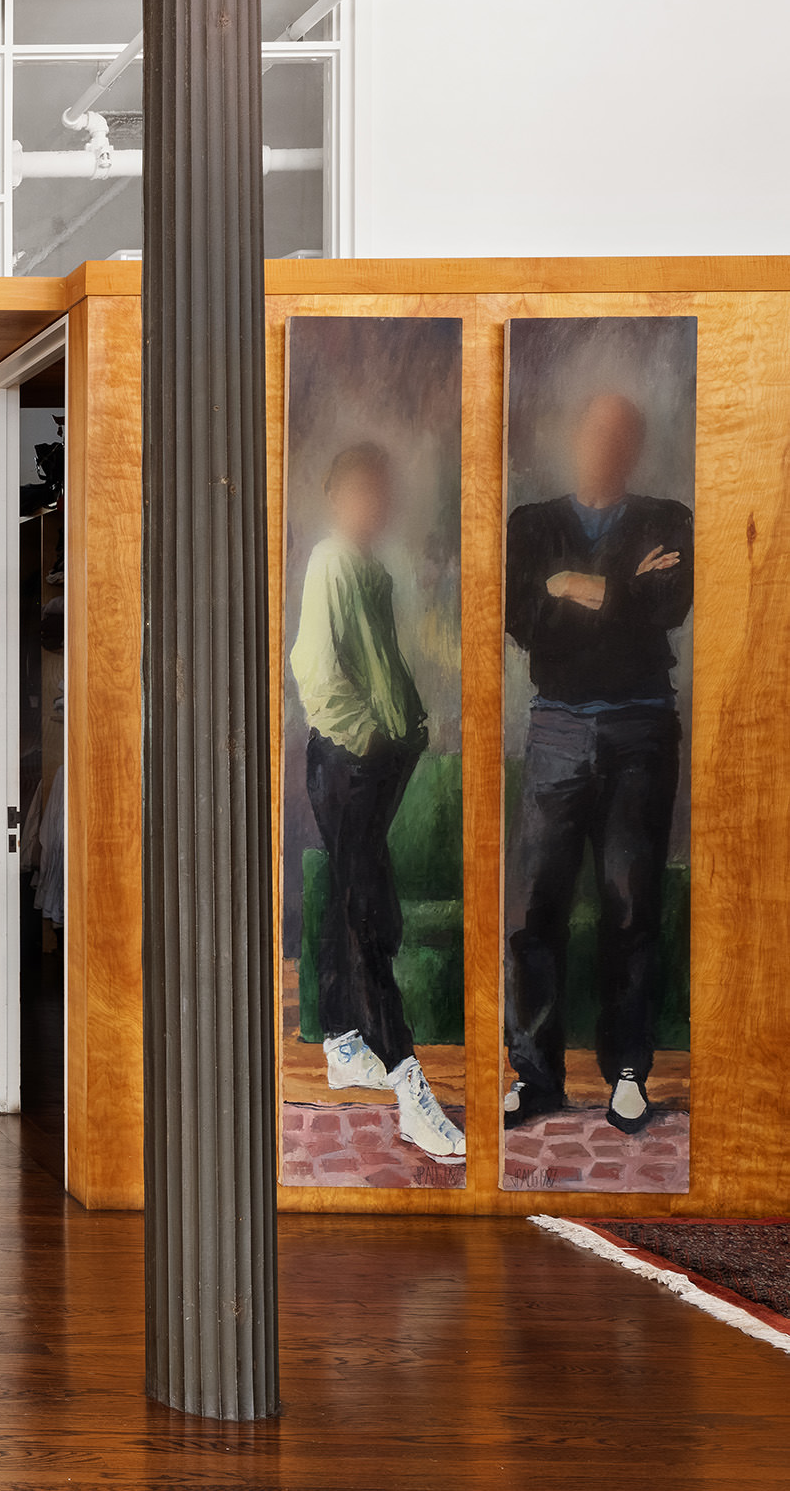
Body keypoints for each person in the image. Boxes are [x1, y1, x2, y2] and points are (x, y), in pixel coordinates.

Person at [504, 392, 691, 1136]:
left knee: (629, 906)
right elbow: (518, 616)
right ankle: (537, 1078)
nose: (603, 445)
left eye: (619, 436)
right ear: (574, 436)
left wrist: (572, 586)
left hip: (641, 731)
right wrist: (618, 591)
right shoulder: (531, 524)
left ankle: (626, 1076)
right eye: (593, 430)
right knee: (534, 911)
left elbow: (666, 606)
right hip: (554, 731)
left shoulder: (666, 518)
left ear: (634, 448)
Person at [289, 442, 464, 1162]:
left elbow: (386, 661)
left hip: (382, 760)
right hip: (345, 761)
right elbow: (315, 666)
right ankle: (406, 1082)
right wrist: (364, 739)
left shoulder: (373, 571)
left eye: (380, 494)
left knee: (344, 899)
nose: (372, 505)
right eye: (359, 492)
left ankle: (338, 1041)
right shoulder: (329, 560)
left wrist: (412, 727)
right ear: (336, 497)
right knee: (371, 913)